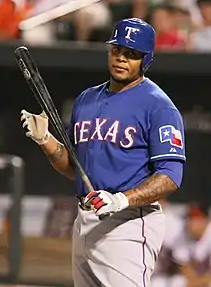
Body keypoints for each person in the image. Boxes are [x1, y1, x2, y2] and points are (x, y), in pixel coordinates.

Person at [20, 18, 186, 287]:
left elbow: (170, 175)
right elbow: (77, 169)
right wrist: (45, 140)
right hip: (85, 218)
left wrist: (121, 199)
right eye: (117, 50)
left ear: (146, 59)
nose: (121, 58)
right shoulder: (86, 99)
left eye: (132, 54)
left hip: (128, 223)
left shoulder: (158, 106)